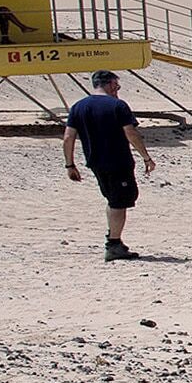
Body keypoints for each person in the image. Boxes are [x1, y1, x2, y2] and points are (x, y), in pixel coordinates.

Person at [62, 69, 156, 260]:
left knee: (113, 199)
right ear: (111, 84)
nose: (117, 90)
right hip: (117, 161)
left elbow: (68, 138)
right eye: (117, 86)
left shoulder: (78, 107)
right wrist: (146, 156)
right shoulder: (117, 105)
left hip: (95, 162)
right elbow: (130, 133)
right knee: (120, 201)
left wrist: (70, 165)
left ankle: (114, 238)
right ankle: (113, 244)